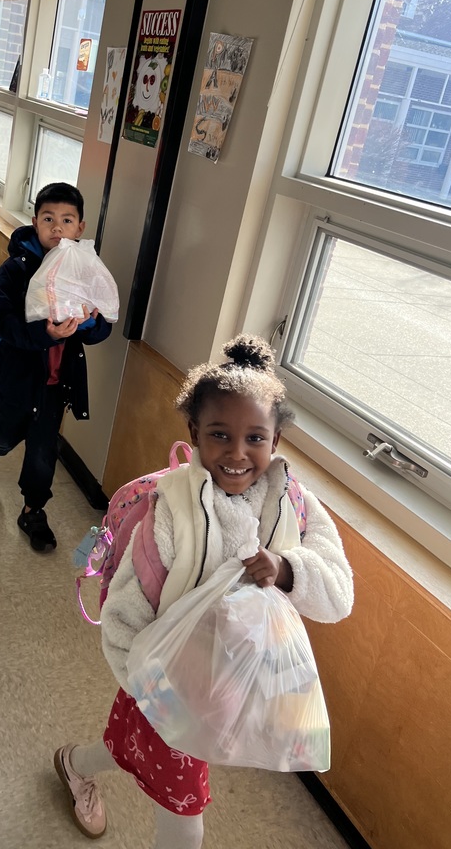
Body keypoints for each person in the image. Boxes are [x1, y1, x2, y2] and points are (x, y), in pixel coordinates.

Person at [52, 334, 354, 848]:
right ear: (194, 432)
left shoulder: (294, 505)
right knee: (184, 813)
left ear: (276, 440)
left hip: (227, 694)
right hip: (169, 690)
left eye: (255, 438)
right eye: (220, 435)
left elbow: (338, 596)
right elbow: (126, 615)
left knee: (127, 745)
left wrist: (287, 570)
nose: (238, 454)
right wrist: (161, 699)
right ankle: (76, 763)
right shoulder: (171, 512)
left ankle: (74, 763)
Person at [0, 182, 113, 552]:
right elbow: (0, 321)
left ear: (80, 228)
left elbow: (101, 328)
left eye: (67, 220)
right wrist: (45, 333)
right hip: (18, 378)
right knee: (7, 435)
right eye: (48, 219)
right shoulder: (16, 269)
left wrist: (89, 324)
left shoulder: (84, 271)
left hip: (55, 383)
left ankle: (33, 510)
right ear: (35, 222)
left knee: (42, 449)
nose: (57, 228)